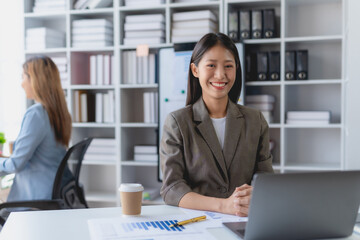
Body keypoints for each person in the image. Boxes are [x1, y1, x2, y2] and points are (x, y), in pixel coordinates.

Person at [160, 33, 274, 217]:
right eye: (211, 65)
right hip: (196, 222)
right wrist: (223, 206)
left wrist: (256, 194)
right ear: (195, 70)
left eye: (228, 66)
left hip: (244, 222)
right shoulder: (177, 122)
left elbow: (267, 180)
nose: (220, 75)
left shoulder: (255, 120)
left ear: (236, 69)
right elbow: (172, 188)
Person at [0, 56, 72, 205]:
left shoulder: (36, 114)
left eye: (24, 77)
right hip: (54, 191)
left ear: (36, 80)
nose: (21, 84)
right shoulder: (59, 112)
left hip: (35, 198)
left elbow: (15, 164)